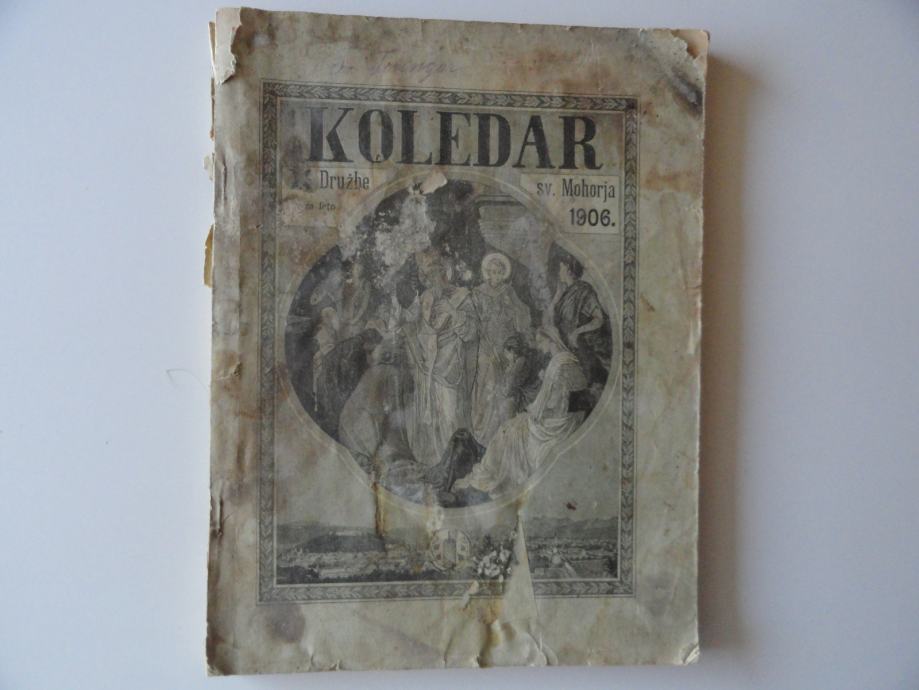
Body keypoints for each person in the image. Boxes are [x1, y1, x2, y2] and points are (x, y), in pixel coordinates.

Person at [454, 326, 587, 497]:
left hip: (553, 423)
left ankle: (489, 475)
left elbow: (556, 403)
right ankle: (488, 472)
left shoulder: (560, 364)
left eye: (541, 341)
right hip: (551, 417)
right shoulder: (563, 361)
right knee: (507, 427)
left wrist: (534, 410)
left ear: (551, 340)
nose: (539, 346)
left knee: (508, 431)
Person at [399, 250, 479, 464]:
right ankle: (436, 462)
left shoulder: (461, 296)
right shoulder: (425, 298)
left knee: (450, 414)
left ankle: (455, 462)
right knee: (432, 415)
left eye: (438, 273)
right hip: (427, 364)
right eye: (429, 275)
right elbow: (413, 323)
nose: (434, 279)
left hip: (450, 363)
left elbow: (472, 332)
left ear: (446, 273)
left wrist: (453, 311)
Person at [470, 252, 532, 445]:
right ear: (487, 272)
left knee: (503, 382)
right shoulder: (478, 292)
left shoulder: (508, 291)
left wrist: (512, 309)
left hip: (506, 344)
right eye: (493, 272)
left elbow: (523, 312)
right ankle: (479, 424)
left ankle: (498, 428)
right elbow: (474, 320)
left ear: (504, 273)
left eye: (499, 272)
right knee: (484, 381)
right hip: (486, 344)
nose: (496, 276)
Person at [550, 253, 612, 392]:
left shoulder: (584, 290)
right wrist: (557, 294)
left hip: (582, 348)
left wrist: (577, 332)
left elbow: (599, 319)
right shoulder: (564, 293)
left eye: (560, 268)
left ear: (568, 268)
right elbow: (552, 319)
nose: (558, 272)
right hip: (564, 346)